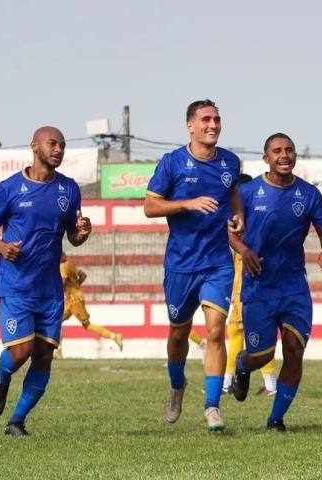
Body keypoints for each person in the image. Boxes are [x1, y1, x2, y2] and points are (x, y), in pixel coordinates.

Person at [0, 126, 91, 436]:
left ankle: (16, 421)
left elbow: (73, 234)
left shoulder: (68, 189)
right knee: (21, 351)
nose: (58, 149)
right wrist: (2, 246)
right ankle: (2, 376)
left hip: (50, 290)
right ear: (35, 146)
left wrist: (81, 234)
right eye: (52, 143)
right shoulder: (10, 188)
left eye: (62, 145)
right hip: (16, 284)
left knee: (44, 356)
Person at [144, 99, 242, 432]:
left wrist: (238, 216)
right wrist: (187, 203)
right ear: (190, 126)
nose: (213, 125)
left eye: (217, 119)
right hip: (181, 265)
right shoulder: (172, 163)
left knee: (216, 330)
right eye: (205, 120)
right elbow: (150, 206)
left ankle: (212, 407)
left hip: (217, 263)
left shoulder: (229, 161)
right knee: (178, 333)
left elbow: (232, 195)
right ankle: (176, 383)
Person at [229, 133, 322, 432]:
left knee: (294, 350)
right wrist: (244, 250)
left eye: (289, 150)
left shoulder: (309, 194)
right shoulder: (247, 193)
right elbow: (227, 230)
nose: (284, 155)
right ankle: (242, 365)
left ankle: (276, 419)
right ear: (266, 158)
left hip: (294, 287)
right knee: (261, 355)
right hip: (258, 286)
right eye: (277, 151)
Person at [223, 175, 278, 397]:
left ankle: (228, 382)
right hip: (257, 282)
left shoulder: (242, 219)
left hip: (245, 284)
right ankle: (268, 382)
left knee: (237, 330)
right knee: (253, 334)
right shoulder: (259, 216)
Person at [59, 252, 123, 353]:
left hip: (75, 301)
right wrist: (76, 286)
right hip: (73, 299)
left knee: (87, 325)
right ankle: (58, 350)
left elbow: (64, 280)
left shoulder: (62, 266)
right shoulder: (69, 264)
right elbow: (83, 275)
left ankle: (115, 336)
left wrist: (57, 291)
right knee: (56, 321)